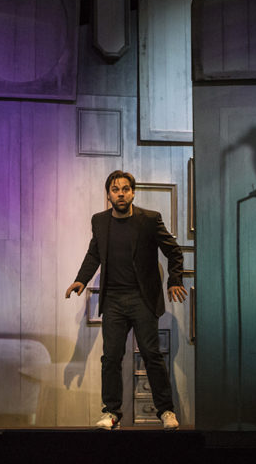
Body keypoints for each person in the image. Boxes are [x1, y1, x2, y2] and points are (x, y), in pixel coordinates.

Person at [65, 170, 187, 431]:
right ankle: (111, 413)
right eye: (115, 189)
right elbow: (94, 253)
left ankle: (166, 411)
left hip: (142, 298)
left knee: (151, 355)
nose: (120, 194)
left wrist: (174, 280)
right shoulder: (100, 221)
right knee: (111, 357)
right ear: (108, 195)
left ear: (133, 193)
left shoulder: (149, 220)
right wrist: (81, 279)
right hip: (113, 300)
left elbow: (174, 251)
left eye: (125, 189)